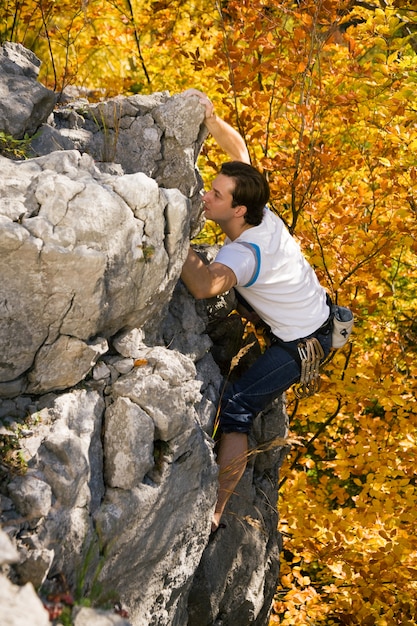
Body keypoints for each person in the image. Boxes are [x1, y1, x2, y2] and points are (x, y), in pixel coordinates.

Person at [181, 89, 332, 533]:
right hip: (303, 308)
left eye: (215, 194)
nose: (205, 196)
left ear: (238, 209)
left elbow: (208, 285)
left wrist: (175, 236)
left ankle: (217, 510)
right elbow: (240, 151)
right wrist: (210, 119)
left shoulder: (247, 253)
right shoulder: (258, 209)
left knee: (238, 407)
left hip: (303, 339)